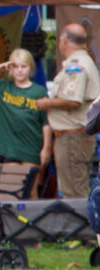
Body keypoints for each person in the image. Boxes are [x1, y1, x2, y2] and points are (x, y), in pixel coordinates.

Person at [37, 23, 100, 197]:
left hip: (73, 136)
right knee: (73, 188)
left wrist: (47, 103)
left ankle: (84, 224)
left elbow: (73, 100)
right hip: (75, 136)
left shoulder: (76, 66)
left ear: (64, 41)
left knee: (74, 192)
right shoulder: (85, 62)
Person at [0, 48, 51, 172]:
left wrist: (46, 148)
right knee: (12, 187)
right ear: (10, 68)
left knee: (31, 189)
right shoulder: (2, 87)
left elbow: (45, 122)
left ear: (30, 68)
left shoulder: (39, 91)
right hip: (10, 149)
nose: (19, 70)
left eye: (23, 66)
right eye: (15, 66)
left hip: (32, 148)